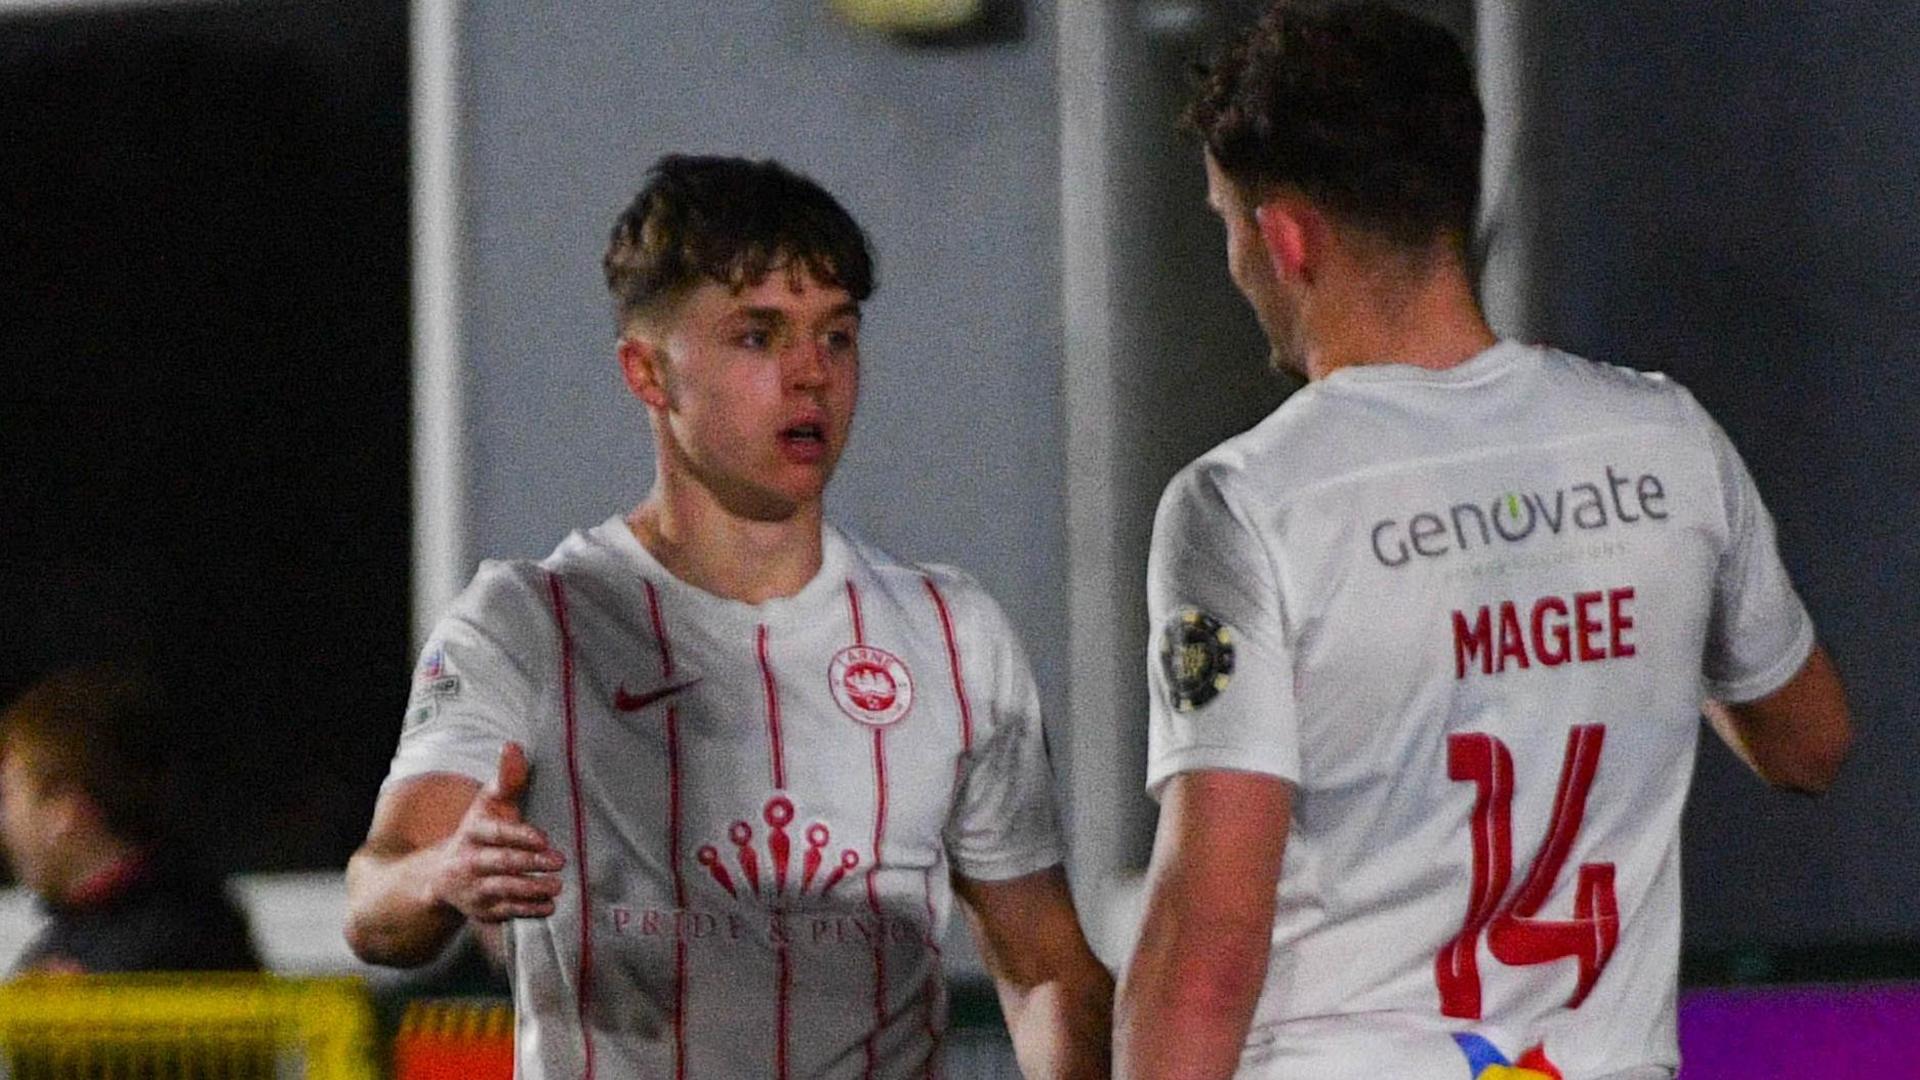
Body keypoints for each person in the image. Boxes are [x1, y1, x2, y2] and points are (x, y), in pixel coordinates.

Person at [1113, 4, 1853, 1079]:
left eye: (1230, 224)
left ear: (1285, 237)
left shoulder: (1247, 504)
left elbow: (1208, 951)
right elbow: (1809, 742)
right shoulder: (1667, 445)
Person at [345, 155, 1112, 1078]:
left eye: (836, 336)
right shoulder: (530, 619)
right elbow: (374, 902)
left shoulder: (952, 634)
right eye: (759, 337)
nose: (811, 376)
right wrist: (443, 873)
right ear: (648, 374)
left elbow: (1046, 971)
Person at [0, 666, 261, 974]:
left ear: (64, 811)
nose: (5, 822)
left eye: (8, 796)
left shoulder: (183, 942)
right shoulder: (70, 946)